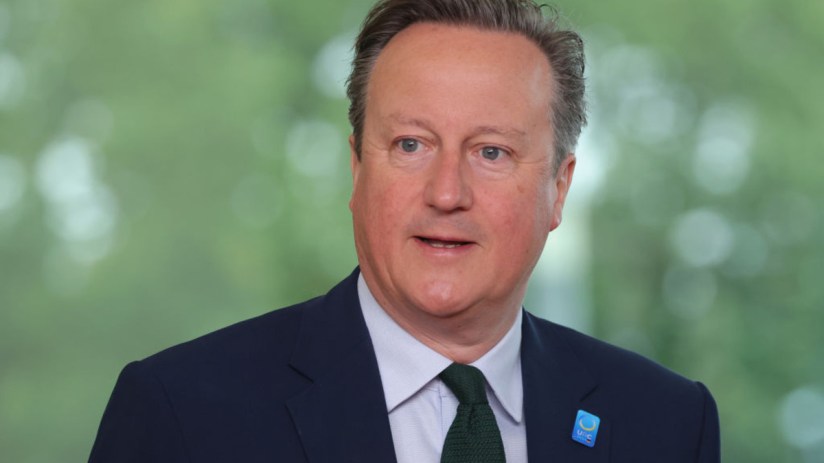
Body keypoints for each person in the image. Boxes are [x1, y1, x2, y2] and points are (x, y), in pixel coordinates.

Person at [89, 0, 720, 461]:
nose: (447, 193)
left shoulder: (666, 424)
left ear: (559, 189)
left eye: (492, 152)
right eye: (411, 144)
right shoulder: (182, 416)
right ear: (358, 166)